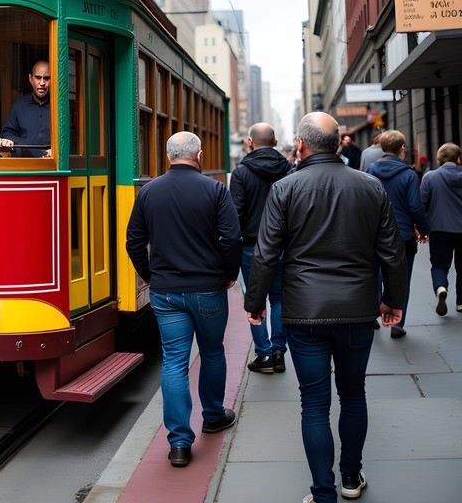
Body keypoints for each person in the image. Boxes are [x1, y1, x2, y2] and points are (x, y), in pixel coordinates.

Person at [245, 112, 406, 503]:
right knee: (353, 394)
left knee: (313, 402)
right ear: (338, 144)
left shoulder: (285, 189)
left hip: (304, 312)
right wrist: (393, 302)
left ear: (300, 145)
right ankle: (351, 478)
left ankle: (323, 493)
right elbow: (393, 254)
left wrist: (256, 303)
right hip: (357, 310)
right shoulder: (371, 187)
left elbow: (266, 255)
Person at [126, 131, 242, 469]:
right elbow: (232, 238)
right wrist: (229, 273)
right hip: (208, 288)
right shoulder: (216, 190)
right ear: (200, 155)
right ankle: (213, 416)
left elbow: (134, 241)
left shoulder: (148, 192)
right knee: (212, 351)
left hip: (166, 292)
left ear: (167, 157)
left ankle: (178, 443)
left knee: (174, 361)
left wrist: (149, 275)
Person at [229, 122, 294, 373]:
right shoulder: (289, 170)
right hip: (282, 245)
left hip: (251, 247)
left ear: (249, 142)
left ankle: (264, 354)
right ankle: (279, 352)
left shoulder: (241, 172)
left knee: (254, 299)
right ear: (276, 143)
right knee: (279, 298)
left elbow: (235, 214)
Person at [365, 129, 428, 337]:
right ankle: (398, 323)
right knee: (403, 278)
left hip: (376, 233)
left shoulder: (371, 171)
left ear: (383, 148)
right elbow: (415, 207)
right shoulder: (409, 174)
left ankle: (373, 312)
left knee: (375, 274)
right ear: (402, 148)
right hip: (404, 236)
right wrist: (423, 229)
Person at [420, 142, 462, 316]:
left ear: (439, 159)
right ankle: (461, 303)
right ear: (459, 158)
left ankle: (441, 287)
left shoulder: (430, 177)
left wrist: (422, 228)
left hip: (439, 229)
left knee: (439, 265)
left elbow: (422, 203)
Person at [0, 61, 52, 158]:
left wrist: (57, 152)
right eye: (38, 78)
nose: (42, 83)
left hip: (54, 167)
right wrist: (8, 140)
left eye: (46, 78)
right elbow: (8, 133)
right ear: (31, 79)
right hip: (26, 167)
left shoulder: (60, 107)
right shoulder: (18, 106)